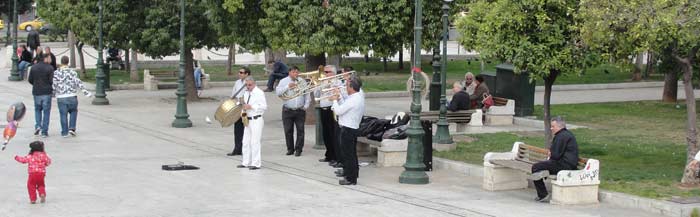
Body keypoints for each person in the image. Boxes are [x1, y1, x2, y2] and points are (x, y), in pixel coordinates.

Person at [530, 116, 579, 202]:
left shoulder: (561, 136)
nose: (551, 128)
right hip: (566, 163)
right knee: (539, 167)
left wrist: (551, 153)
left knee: (535, 167)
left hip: (564, 165)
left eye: (553, 126)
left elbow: (555, 155)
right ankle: (543, 174)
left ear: (560, 126)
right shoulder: (566, 134)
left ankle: (543, 195)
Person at [330, 75, 365, 185]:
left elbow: (339, 111)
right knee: (351, 154)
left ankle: (350, 178)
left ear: (351, 87)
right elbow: (345, 107)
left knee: (348, 155)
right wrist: (339, 98)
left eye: (346, 86)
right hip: (351, 128)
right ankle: (352, 174)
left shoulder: (354, 99)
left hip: (348, 129)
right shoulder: (355, 97)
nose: (345, 88)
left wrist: (335, 100)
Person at [52, 56, 91, 138]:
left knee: (63, 114)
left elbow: (54, 84)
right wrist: (85, 92)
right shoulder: (73, 72)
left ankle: (64, 132)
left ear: (61, 62)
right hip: (72, 95)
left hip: (61, 96)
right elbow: (78, 83)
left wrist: (53, 93)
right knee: (73, 111)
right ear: (68, 62)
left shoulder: (56, 73)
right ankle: (72, 128)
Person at [276, 66, 310, 156]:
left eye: (297, 72)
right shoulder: (283, 81)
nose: (296, 74)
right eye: (294, 72)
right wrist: (288, 86)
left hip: (300, 109)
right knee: (288, 131)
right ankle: (290, 149)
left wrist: (306, 106)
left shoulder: (302, 81)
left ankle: (299, 149)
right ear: (289, 72)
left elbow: (307, 94)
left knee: (300, 130)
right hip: (287, 110)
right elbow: (278, 93)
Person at [236, 77, 267, 170]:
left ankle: (256, 163)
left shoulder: (259, 93)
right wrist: (242, 111)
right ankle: (245, 162)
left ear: (254, 84)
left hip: (256, 119)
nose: (248, 87)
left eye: (249, 85)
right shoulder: (246, 93)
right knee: (245, 142)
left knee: (255, 142)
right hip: (247, 119)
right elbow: (244, 105)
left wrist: (251, 106)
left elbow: (264, 106)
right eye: (246, 85)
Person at [316, 65, 342, 167]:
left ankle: (335, 156)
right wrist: (320, 86)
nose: (325, 74)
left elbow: (338, 95)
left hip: (332, 109)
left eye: (328, 72)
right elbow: (317, 95)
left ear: (333, 73)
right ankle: (329, 155)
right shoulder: (322, 81)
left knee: (333, 134)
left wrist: (330, 87)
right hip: (323, 109)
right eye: (325, 72)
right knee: (326, 134)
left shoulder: (338, 82)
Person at [28, 55, 54, 138]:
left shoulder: (34, 67)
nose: (50, 59)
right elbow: (51, 81)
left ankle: (38, 125)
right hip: (46, 92)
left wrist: (36, 84)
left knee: (37, 110)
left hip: (37, 91)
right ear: (45, 58)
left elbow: (30, 79)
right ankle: (44, 131)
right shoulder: (50, 68)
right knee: (46, 112)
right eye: (49, 58)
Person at [227, 67, 251, 156]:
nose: (239, 74)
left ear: (247, 74)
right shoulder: (237, 82)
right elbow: (233, 94)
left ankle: (246, 149)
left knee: (246, 129)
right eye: (239, 72)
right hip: (238, 108)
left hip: (246, 109)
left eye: (241, 72)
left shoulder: (249, 83)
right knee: (237, 130)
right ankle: (237, 149)